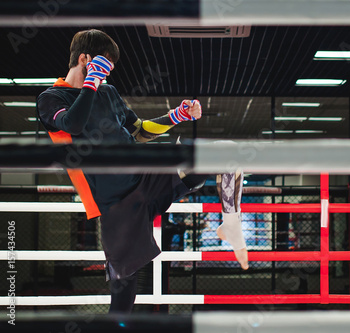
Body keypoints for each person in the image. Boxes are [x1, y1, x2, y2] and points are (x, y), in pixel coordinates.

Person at [36, 29, 248, 313]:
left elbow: (139, 130)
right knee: (123, 293)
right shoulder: (51, 98)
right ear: (86, 59)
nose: (107, 74)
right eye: (104, 65)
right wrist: (91, 83)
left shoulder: (108, 91)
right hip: (116, 202)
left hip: (148, 171)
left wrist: (177, 115)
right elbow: (73, 124)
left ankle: (231, 224)